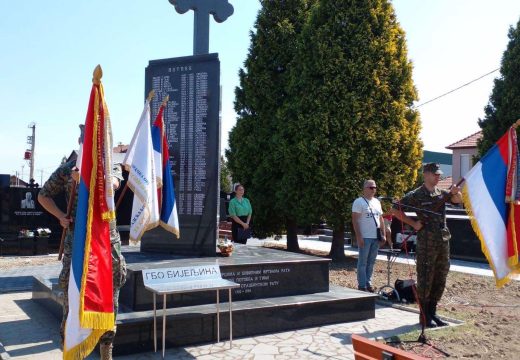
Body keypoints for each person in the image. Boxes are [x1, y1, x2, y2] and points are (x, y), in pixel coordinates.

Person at [38, 159, 126, 359]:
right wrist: (61, 216)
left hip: (105, 244)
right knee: (72, 297)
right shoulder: (68, 169)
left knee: (109, 298)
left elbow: (111, 185)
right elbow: (43, 196)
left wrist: (86, 179)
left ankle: (106, 353)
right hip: (76, 242)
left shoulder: (111, 164)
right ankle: (72, 350)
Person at [391, 163, 462, 328]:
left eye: (439, 174)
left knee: (440, 276)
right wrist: (413, 224)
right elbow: (395, 209)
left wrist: (455, 193)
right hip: (426, 243)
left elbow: (457, 201)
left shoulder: (441, 193)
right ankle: (424, 316)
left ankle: (433, 312)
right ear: (426, 174)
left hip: (443, 241)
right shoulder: (416, 195)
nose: (438, 177)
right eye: (435, 174)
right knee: (425, 278)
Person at [352, 179, 388, 292]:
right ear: (364, 189)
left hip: (375, 237)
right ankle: (362, 285)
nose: (374, 190)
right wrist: (359, 237)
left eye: (375, 187)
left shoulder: (377, 202)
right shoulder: (359, 202)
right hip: (365, 237)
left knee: (371, 262)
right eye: (371, 187)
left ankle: (368, 282)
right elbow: (355, 220)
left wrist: (384, 234)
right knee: (363, 262)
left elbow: (381, 219)